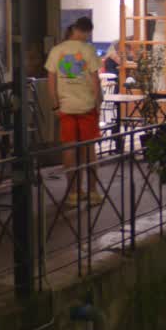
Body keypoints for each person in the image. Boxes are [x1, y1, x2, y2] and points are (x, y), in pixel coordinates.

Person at [45, 17, 104, 207]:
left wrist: (55, 105)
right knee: (89, 150)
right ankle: (93, 192)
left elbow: (51, 82)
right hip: (86, 106)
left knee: (69, 150)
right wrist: (98, 104)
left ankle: (73, 193)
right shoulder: (88, 50)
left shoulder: (57, 51)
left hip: (66, 107)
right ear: (86, 32)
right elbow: (96, 81)